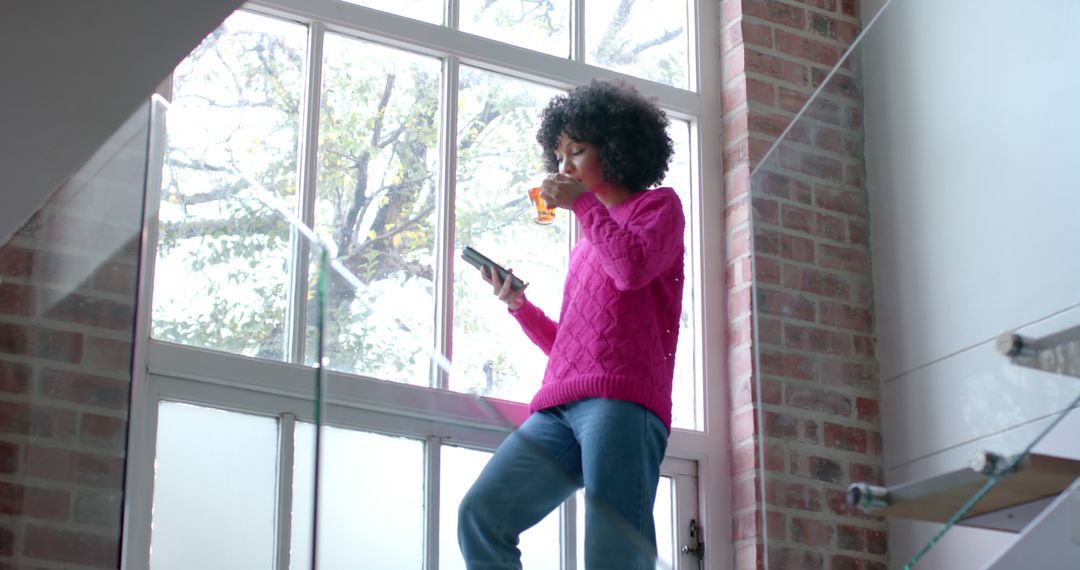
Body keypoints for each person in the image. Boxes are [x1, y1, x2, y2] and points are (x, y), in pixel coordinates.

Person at [457, 78, 684, 570]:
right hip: (560, 405)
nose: (564, 168)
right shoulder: (586, 243)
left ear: (618, 149)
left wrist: (583, 204)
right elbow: (574, 348)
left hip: (622, 402)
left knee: (613, 550)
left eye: (577, 151)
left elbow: (632, 269)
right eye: (559, 157)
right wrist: (520, 307)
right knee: (482, 514)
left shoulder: (657, 207)